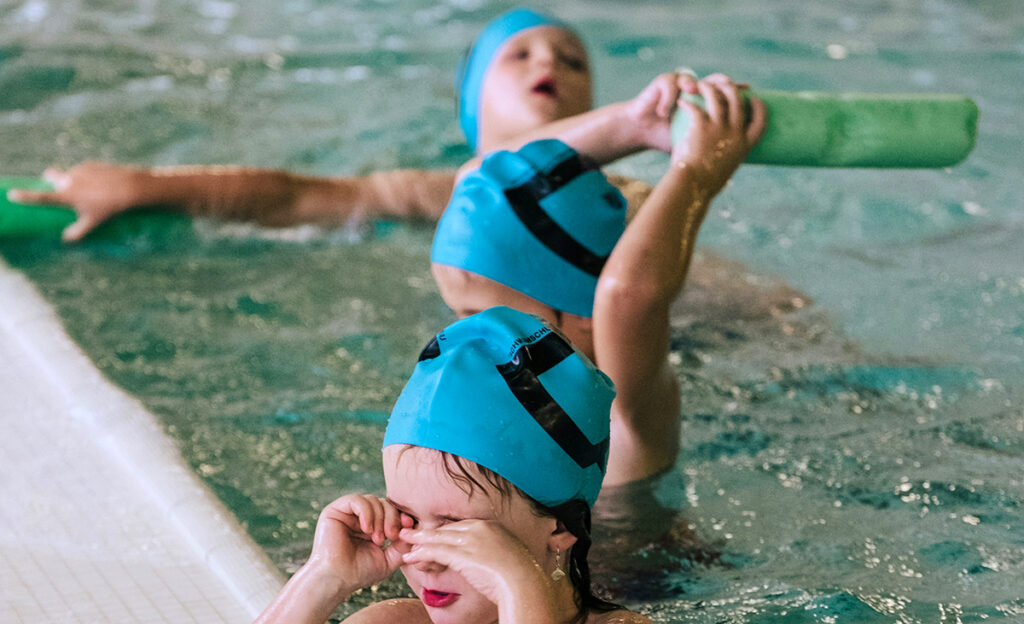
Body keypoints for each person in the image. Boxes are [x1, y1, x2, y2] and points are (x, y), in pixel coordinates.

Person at [211, 306, 670, 624]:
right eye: (407, 518)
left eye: (455, 528)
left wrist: (520, 590)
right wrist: (322, 577)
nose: (423, 558)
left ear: (561, 526)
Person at [5, 7, 732, 242]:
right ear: (473, 109)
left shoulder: (629, 203)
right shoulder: (442, 190)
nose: (552, 63)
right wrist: (142, 184)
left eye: (573, 60)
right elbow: (296, 197)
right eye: (520, 54)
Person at [431, 70, 766, 489]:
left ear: (585, 314)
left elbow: (629, 295)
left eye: (480, 313)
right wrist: (631, 124)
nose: (461, 336)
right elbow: (475, 173)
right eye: (456, 314)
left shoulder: (623, 416)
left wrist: (695, 172)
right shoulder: (490, 408)